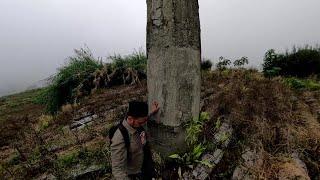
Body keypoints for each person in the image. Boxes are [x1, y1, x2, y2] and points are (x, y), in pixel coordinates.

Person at [110, 100, 160, 180]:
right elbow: (117, 170)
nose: (143, 124)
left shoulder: (138, 123)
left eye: (144, 121)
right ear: (130, 119)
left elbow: (144, 118)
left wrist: (151, 112)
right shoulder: (120, 137)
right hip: (134, 174)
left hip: (145, 168)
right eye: (140, 123)